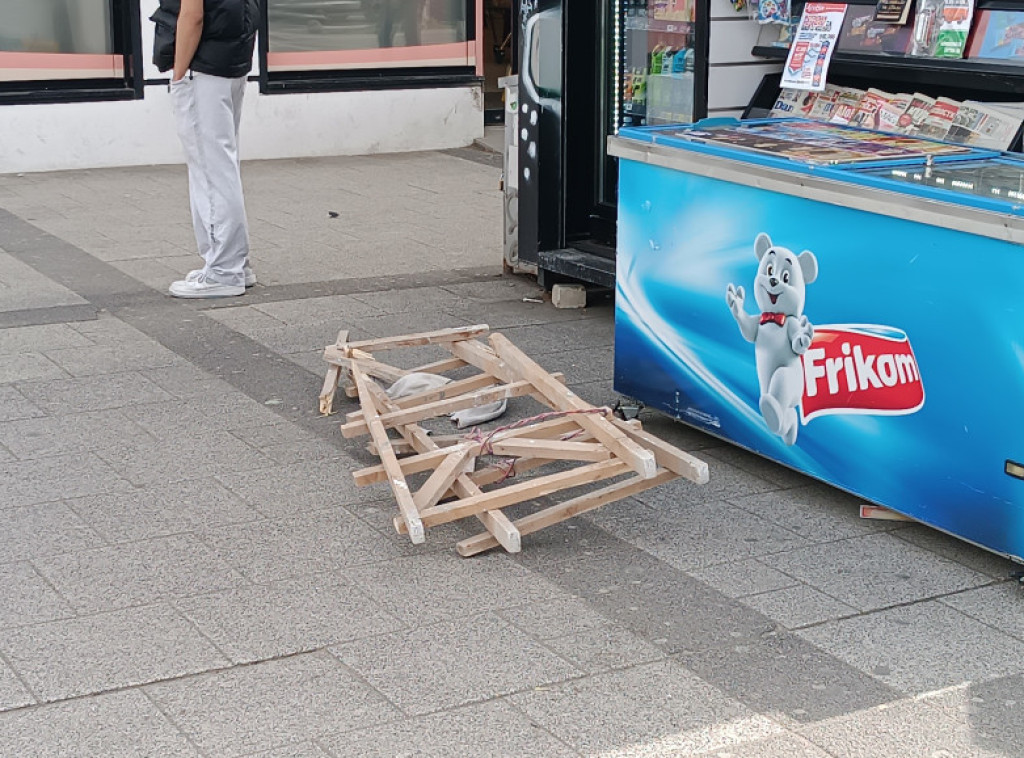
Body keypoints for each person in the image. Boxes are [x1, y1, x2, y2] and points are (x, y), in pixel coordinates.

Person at [152, 0, 260, 298]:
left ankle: (224, 271)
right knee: (222, 166)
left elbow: (193, 15)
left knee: (211, 171)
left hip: (203, 65)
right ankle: (235, 264)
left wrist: (178, 73)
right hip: (230, 61)